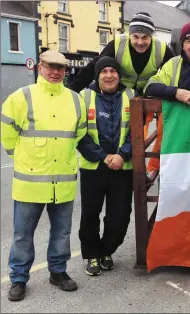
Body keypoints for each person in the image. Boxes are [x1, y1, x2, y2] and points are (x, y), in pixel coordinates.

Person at [1, 50, 87, 301]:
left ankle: (58, 272)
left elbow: (78, 133)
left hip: (63, 181)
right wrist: (23, 156)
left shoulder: (75, 100)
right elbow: (6, 131)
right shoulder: (21, 97)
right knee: (22, 234)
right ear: (40, 67)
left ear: (65, 71)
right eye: (50, 67)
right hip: (30, 182)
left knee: (61, 233)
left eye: (60, 68)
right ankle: (18, 278)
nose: (55, 72)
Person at [77, 57, 135, 276]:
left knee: (119, 215)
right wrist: (103, 156)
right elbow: (80, 133)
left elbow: (136, 131)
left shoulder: (131, 96)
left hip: (123, 167)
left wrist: (122, 155)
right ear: (97, 75)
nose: (109, 75)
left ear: (119, 75)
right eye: (104, 71)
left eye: (113, 71)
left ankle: (107, 250)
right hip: (94, 167)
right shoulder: (84, 96)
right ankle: (92, 255)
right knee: (90, 214)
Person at [69, 12, 174, 95]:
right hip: (119, 94)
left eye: (145, 37)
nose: (140, 42)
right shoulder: (118, 44)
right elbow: (95, 65)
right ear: (130, 35)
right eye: (136, 37)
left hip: (145, 95)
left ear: (151, 36)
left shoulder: (161, 48)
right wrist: (73, 91)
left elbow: (174, 71)